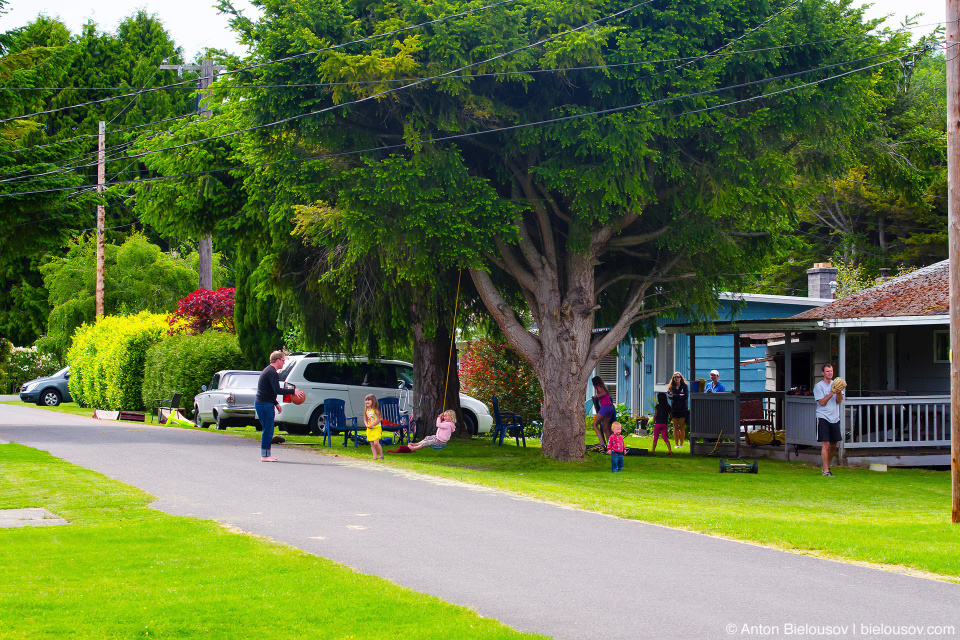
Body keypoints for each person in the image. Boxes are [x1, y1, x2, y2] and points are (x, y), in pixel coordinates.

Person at [254, 350, 285, 462]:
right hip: (263, 404)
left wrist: (276, 403)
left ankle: (267, 454)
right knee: (268, 429)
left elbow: (269, 391)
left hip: (265, 402)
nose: (284, 363)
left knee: (269, 429)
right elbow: (277, 389)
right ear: (277, 360)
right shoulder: (272, 372)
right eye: (283, 360)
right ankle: (265, 455)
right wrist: (293, 391)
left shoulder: (269, 370)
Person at [814, 363, 844, 477]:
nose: (829, 373)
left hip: (835, 417)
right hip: (823, 417)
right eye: (827, 371)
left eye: (831, 371)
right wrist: (832, 392)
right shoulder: (819, 386)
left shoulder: (836, 384)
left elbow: (839, 401)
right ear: (823, 373)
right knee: (825, 444)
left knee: (833, 445)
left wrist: (839, 391)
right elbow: (821, 402)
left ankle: (826, 466)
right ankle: (826, 471)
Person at [591, 376, 616, 446]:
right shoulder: (603, 387)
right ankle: (610, 444)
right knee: (605, 427)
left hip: (605, 408)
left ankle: (601, 441)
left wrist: (596, 396)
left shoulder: (599, 387)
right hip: (610, 408)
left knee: (595, 424)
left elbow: (603, 393)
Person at [667, 372, 689, 448]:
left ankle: (681, 444)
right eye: (675, 377)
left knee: (682, 426)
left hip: (683, 409)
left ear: (681, 378)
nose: (677, 378)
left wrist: (675, 396)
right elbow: (670, 396)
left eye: (678, 377)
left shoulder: (684, 386)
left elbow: (685, 396)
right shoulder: (671, 387)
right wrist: (679, 395)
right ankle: (676, 444)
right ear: (673, 379)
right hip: (674, 409)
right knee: (675, 427)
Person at [363, 394, 384, 460]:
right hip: (369, 429)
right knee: (372, 443)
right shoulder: (366, 411)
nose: (367, 401)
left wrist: (373, 425)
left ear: (373, 401)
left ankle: (381, 455)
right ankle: (375, 457)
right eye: (366, 400)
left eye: (369, 400)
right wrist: (366, 425)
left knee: (376, 443)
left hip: (376, 428)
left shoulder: (375, 410)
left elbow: (380, 418)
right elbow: (365, 419)